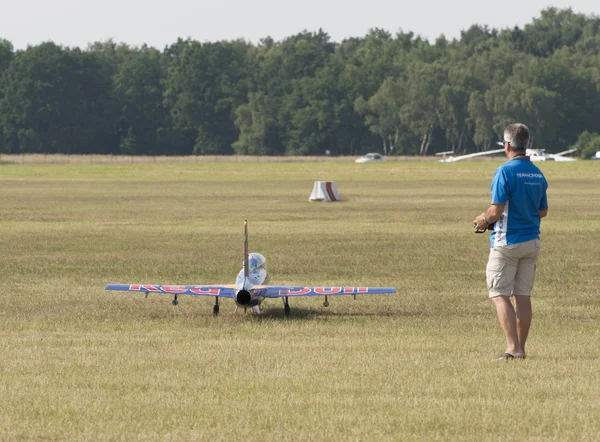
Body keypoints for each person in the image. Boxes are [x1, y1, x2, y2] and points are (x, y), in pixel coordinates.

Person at [473, 123, 548, 360]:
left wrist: (482, 221)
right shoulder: (537, 172)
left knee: (499, 294)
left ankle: (512, 348)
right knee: (522, 295)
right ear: (525, 143)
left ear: (507, 145)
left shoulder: (505, 171)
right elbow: (542, 211)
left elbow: (495, 212)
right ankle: (521, 348)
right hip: (531, 242)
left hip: (507, 243)